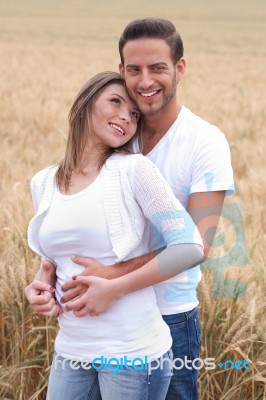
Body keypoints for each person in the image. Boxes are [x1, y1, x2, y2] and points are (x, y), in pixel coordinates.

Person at [51, 19, 235, 400]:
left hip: (170, 315)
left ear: (180, 68)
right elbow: (72, 214)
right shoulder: (116, 136)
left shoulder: (204, 142)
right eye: (134, 70)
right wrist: (46, 274)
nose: (145, 81)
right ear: (121, 71)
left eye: (158, 68)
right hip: (101, 318)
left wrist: (113, 279)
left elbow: (197, 243)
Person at [26, 71, 205, 400]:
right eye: (116, 102)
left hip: (131, 352)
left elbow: (191, 247)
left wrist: (114, 288)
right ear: (84, 103)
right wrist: (42, 284)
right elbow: (57, 255)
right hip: (71, 350)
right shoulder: (43, 182)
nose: (126, 116)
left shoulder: (134, 170)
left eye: (134, 114)